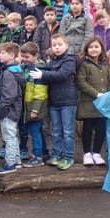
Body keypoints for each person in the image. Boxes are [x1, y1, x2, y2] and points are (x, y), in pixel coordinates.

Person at [29, 34, 78, 171]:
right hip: (54, 101)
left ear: (66, 46)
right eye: (54, 45)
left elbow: (62, 75)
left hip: (68, 101)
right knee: (56, 131)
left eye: (59, 45)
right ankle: (57, 154)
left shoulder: (69, 60)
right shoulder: (53, 61)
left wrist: (42, 75)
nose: (56, 48)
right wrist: (33, 69)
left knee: (67, 131)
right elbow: (49, 69)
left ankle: (68, 157)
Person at [77, 37, 110, 166]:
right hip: (89, 103)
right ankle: (87, 154)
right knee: (87, 129)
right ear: (87, 49)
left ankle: (97, 153)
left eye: (96, 47)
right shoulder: (84, 64)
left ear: (101, 49)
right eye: (91, 47)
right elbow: (81, 82)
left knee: (101, 129)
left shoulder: (106, 64)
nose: (94, 49)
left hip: (104, 103)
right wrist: (96, 94)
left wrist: (108, 94)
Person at [0, 42, 24, 174]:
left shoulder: (8, 73)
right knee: (13, 135)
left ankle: (10, 163)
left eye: (3, 53)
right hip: (13, 109)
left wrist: (1, 108)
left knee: (9, 137)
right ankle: (16, 161)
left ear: (11, 56)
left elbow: (9, 95)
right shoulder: (14, 70)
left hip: (8, 111)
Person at [20, 42, 48, 167]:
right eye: (23, 56)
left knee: (35, 132)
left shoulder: (38, 69)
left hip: (35, 107)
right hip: (29, 106)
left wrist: (35, 110)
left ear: (35, 55)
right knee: (38, 131)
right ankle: (44, 152)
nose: (24, 59)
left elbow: (40, 93)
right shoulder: (27, 67)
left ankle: (38, 157)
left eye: (27, 57)